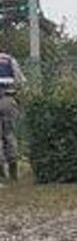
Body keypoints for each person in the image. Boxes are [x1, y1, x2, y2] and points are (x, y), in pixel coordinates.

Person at [0, 51, 25, 181]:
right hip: (8, 100)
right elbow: (20, 81)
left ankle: (1, 172)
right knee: (9, 134)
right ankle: (13, 170)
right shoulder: (9, 60)